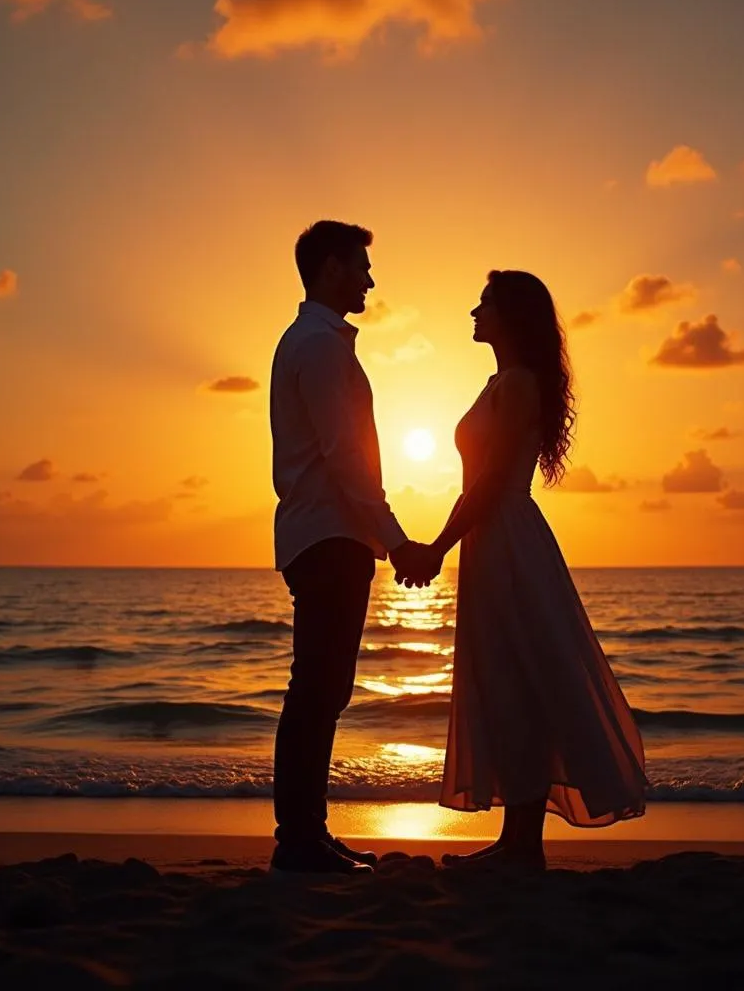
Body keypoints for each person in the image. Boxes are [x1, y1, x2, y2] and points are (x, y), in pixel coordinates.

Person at [394, 270, 648, 870]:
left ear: (509, 315)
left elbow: (488, 483)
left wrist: (436, 547)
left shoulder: (519, 385)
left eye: (484, 303)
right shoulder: (500, 382)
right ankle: (517, 844)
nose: (474, 311)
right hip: (492, 542)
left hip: (506, 538)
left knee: (521, 681)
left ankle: (522, 846)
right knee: (505, 682)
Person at [269, 220, 440, 876]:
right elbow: (346, 459)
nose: (370, 278)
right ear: (333, 267)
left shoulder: (316, 342)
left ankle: (307, 833)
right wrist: (395, 542)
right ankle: (300, 839)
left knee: (322, 686)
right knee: (317, 687)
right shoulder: (320, 346)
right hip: (329, 533)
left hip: (326, 532)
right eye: (362, 266)